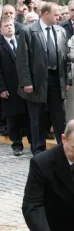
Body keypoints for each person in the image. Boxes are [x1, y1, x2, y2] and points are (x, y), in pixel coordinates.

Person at [16, 2, 71, 156]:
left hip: (56, 80)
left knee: (60, 117)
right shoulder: (28, 31)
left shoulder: (60, 31)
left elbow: (66, 58)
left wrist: (68, 80)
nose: (58, 17)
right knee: (37, 117)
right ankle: (39, 150)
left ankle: (63, 148)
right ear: (46, 14)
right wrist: (26, 82)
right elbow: (22, 60)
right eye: (56, 14)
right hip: (36, 81)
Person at [0, 17, 31, 156]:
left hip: (25, 85)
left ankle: (33, 142)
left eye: (11, 25)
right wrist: (1, 88)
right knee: (13, 117)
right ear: (1, 29)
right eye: (6, 25)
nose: (9, 27)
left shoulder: (22, 41)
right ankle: (17, 145)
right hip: (9, 87)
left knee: (29, 116)